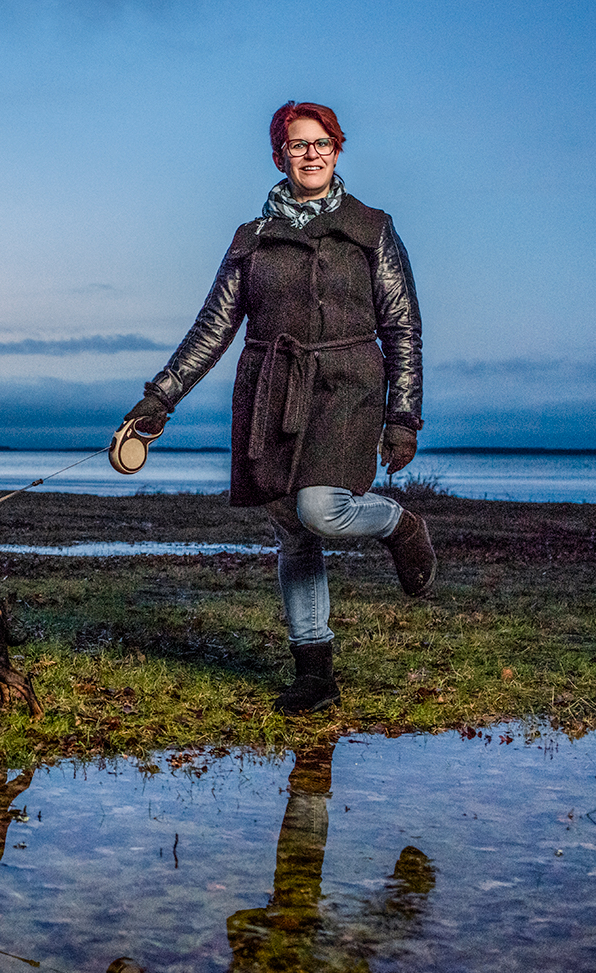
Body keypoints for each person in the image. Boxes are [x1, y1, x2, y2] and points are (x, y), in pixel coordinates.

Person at [123, 101, 435, 714]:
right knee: (292, 528)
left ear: (338, 150)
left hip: (347, 384)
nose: (312, 154)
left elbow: (403, 326)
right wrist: (161, 396)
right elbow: (214, 326)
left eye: (322, 143)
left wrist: (403, 415)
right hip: (270, 389)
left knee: (321, 509)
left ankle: (400, 525)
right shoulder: (252, 239)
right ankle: (315, 671)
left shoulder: (372, 228)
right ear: (279, 156)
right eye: (299, 145)